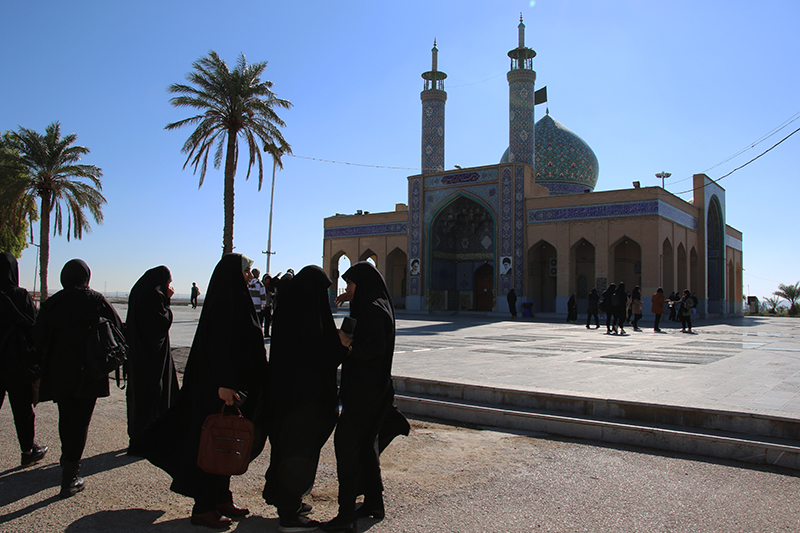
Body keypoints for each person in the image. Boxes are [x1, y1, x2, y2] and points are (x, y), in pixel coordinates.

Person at [142, 254, 268, 528]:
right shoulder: (224, 303)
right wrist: (225, 383)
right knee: (213, 444)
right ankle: (203, 507)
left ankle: (221, 496)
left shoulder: (235, 298)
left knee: (227, 443)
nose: (249, 275)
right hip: (218, 390)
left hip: (234, 388)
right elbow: (218, 346)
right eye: (246, 271)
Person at [324, 262, 409, 533]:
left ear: (362, 283)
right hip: (370, 388)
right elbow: (357, 334)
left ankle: (345, 514)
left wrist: (348, 345)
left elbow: (373, 347)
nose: (347, 289)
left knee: (347, 445)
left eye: (350, 284)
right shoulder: (372, 303)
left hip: (365, 390)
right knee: (365, 447)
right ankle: (374, 502)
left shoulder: (372, 309)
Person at [263, 266, 346, 532]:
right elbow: (321, 356)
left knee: (287, 449)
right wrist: (342, 346)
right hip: (303, 402)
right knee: (298, 451)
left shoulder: (289, 313)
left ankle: (287, 501)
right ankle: (289, 515)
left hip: (286, 398)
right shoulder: (310, 319)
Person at [36, 259, 124, 498]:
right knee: (81, 421)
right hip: (89, 370)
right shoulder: (95, 299)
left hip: (60, 371)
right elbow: (117, 327)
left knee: (66, 417)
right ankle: (70, 476)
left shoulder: (51, 304)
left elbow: (39, 339)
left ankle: (68, 459)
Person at [124, 266, 179, 456]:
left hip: (137, 355)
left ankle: (137, 437)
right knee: (156, 393)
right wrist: (168, 302)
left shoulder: (138, 292)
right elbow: (163, 322)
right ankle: (151, 440)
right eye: (168, 283)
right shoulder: (156, 296)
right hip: (153, 358)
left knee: (137, 397)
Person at [0, 252, 47, 467]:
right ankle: (28, 450)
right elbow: (34, 329)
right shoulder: (21, 296)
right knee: (22, 409)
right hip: (17, 362)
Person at [262, 273, 273, 338]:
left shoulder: (271, 286)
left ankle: (266, 333)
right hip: (263, 305)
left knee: (268, 320)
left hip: (269, 304)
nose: (267, 281)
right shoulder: (262, 286)